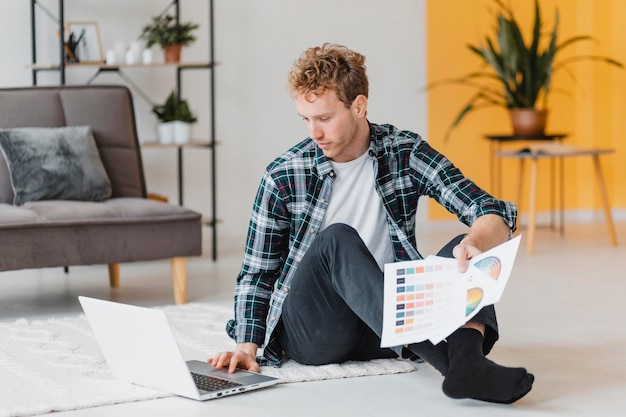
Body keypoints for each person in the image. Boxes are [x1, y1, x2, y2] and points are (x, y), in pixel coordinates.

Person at [210, 43, 534, 404]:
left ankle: (467, 364)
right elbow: (257, 274)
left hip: (386, 326)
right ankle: (456, 364)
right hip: (319, 332)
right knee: (337, 239)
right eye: (306, 119)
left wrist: (476, 241)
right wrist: (246, 346)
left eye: (325, 118)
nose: (314, 133)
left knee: (467, 245)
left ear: (359, 106)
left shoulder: (404, 152)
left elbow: (490, 209)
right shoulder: (284, 174)